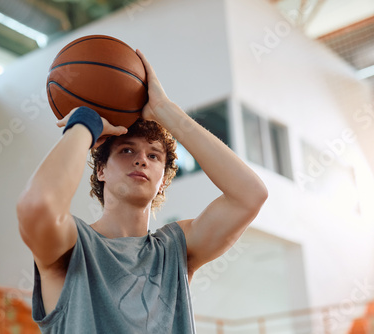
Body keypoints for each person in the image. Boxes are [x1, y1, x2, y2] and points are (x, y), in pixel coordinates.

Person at [16, 49, 268, 333]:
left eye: (154, 156)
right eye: (127, 150)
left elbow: (251, 194)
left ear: (163, 180)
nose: (141, 160)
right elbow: (37, 205)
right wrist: (85, 123)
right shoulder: (72, 246)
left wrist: (165, 111)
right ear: (101, 170)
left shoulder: (175, 251)